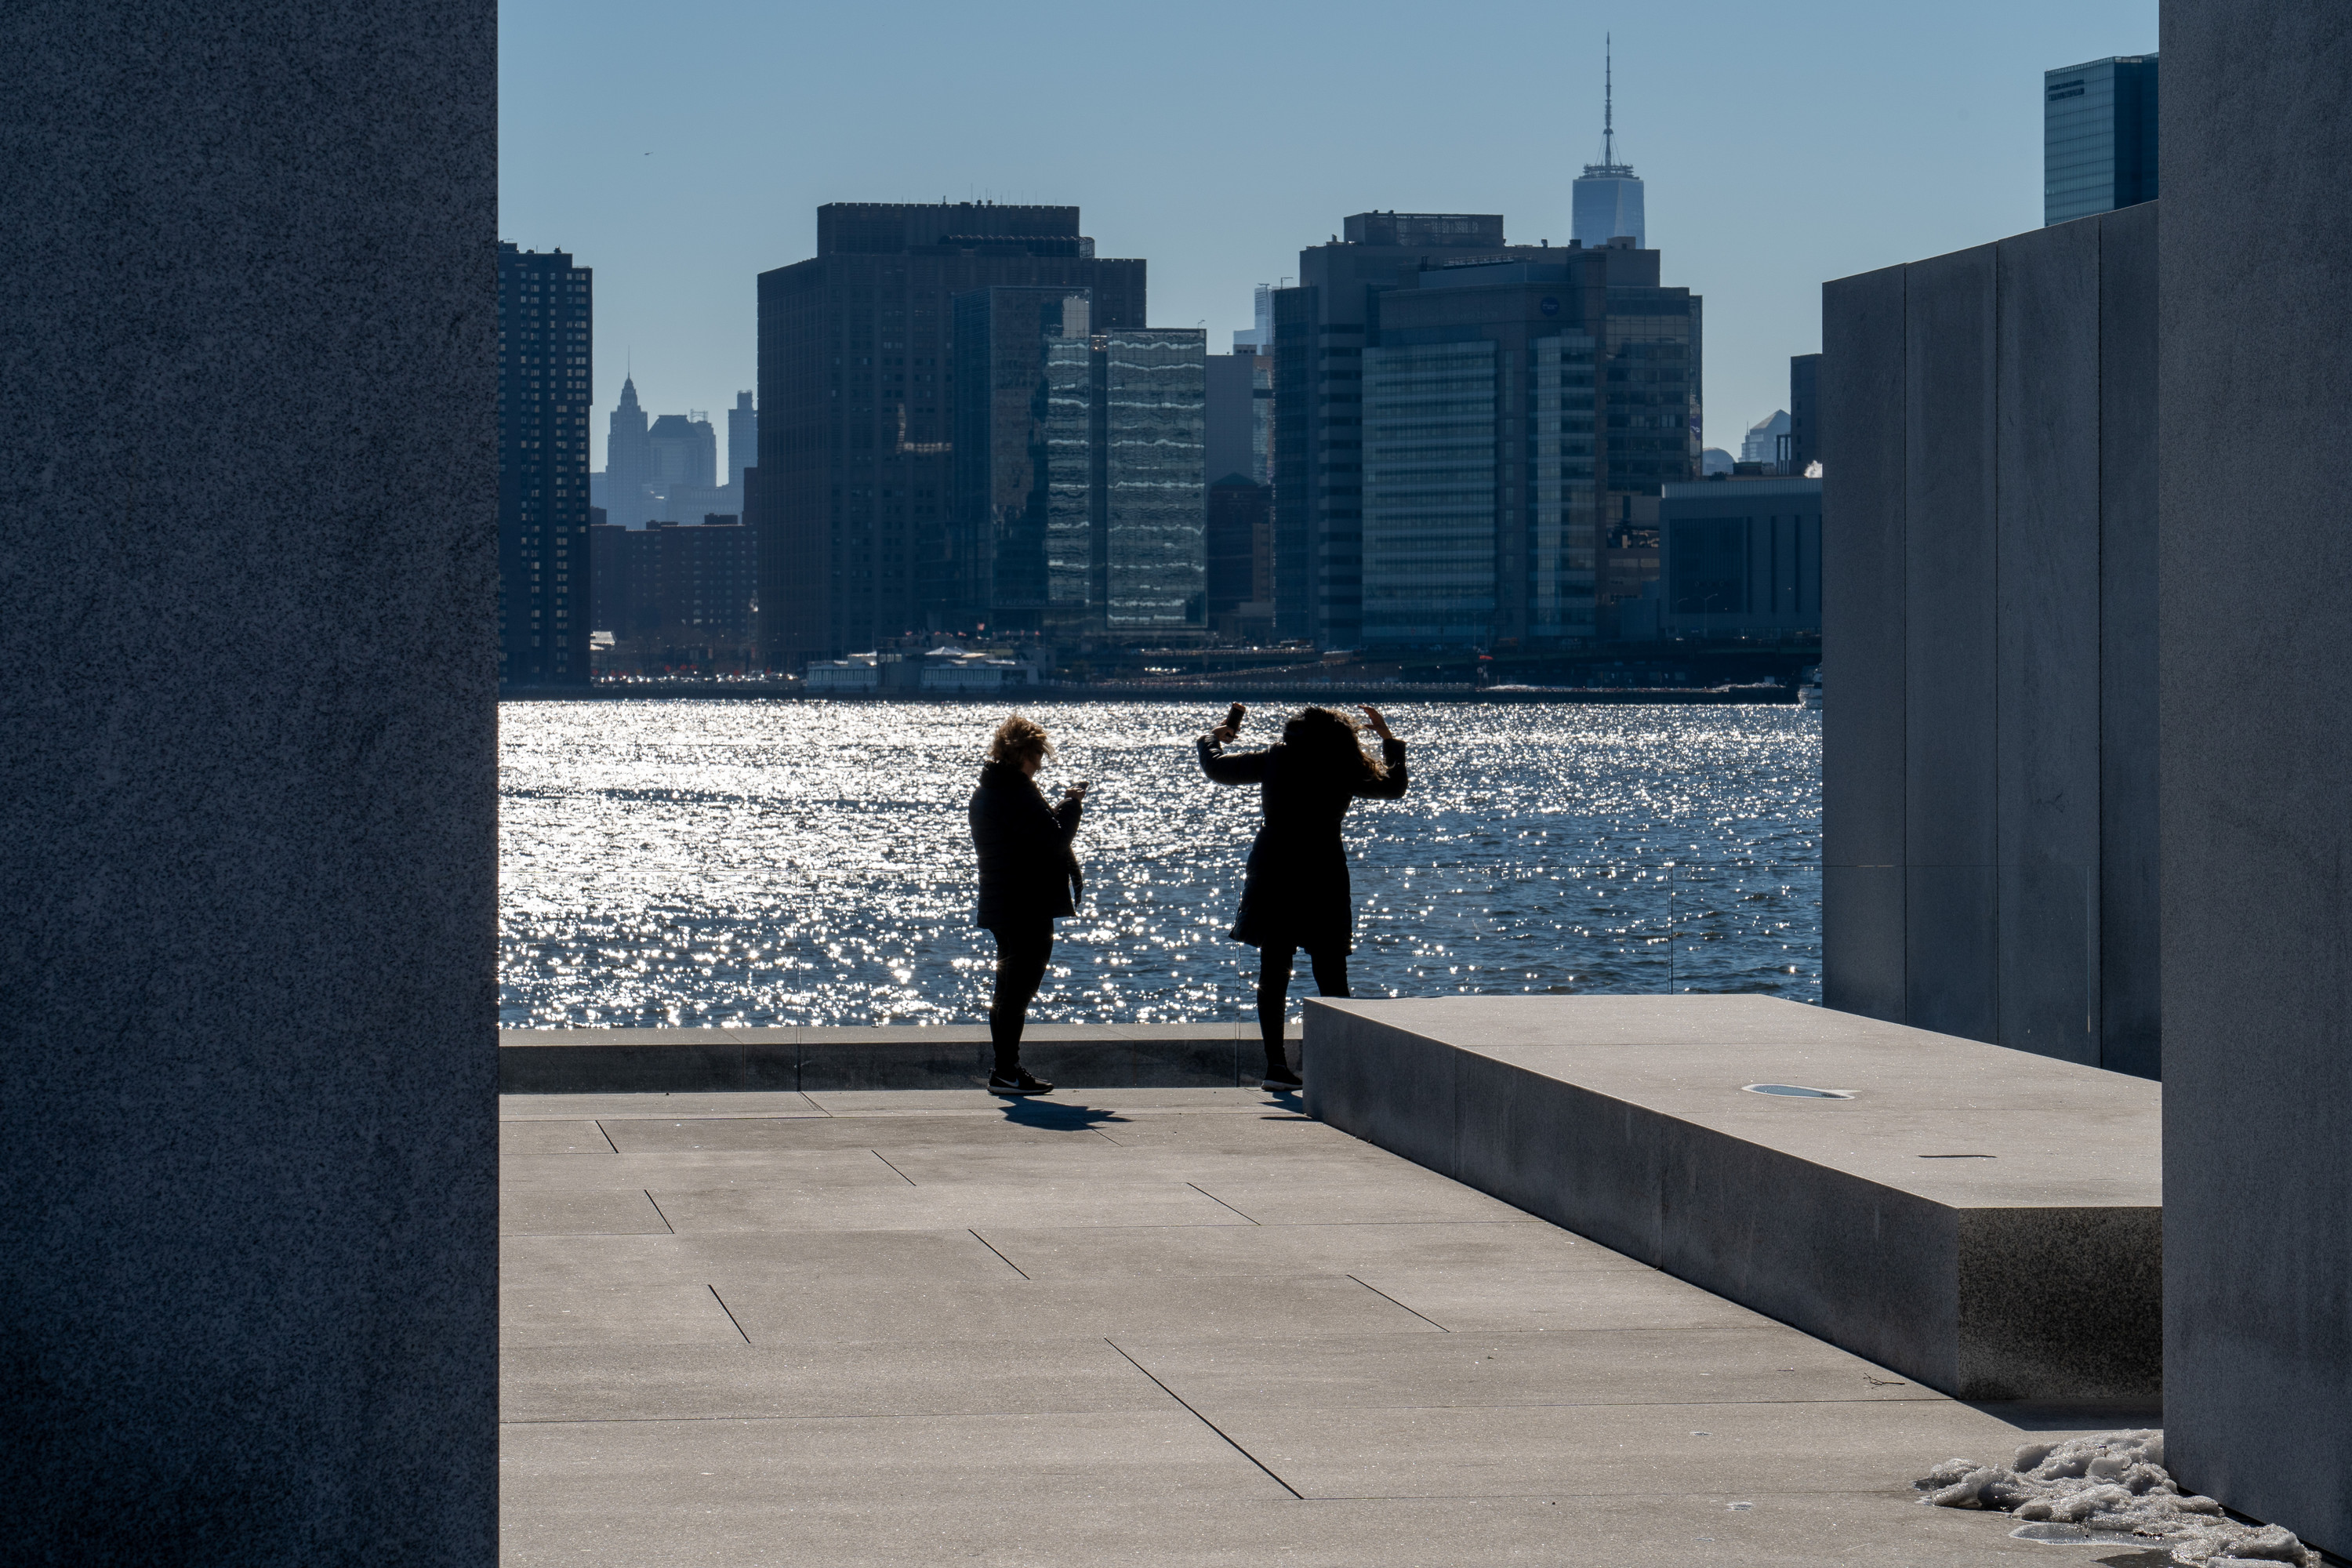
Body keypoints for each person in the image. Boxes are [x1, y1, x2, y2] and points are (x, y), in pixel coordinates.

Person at [1198, 704, 1408, 1088]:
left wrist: (1211, 738)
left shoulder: (1276, 757)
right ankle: (1341, 1068)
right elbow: (1393, 788)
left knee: (1274, 969)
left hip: (1274, 866)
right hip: (1323, 868)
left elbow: (1217, 768)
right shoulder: (1341, 763)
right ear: (1339, 736)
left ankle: (1275, 1067)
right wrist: (1388, 740)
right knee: (1331, 969)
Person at [969, 714, 1086, 1095]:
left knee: (1007, 990)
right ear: (1024, 753)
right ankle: (1007, 1071)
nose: (1040, 764)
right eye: (1038, 755)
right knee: (1017, 993)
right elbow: (1054, 839)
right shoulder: (1015, 791)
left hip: (1003, 902)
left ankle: (1005, 1070)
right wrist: (1072, 804)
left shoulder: (990, 790)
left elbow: (1034, 835)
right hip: (1025, 905)